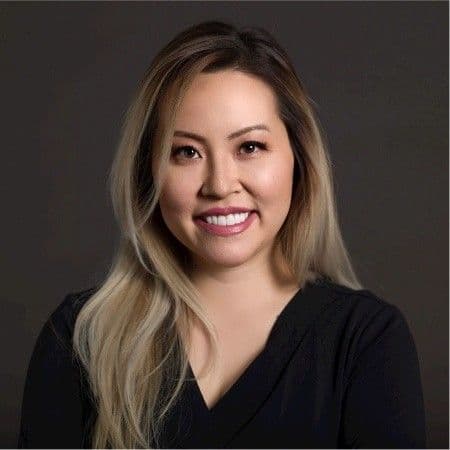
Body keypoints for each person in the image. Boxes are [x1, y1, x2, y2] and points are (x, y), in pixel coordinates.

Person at [18, 20, 427, 449]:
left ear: (298, 158)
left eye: (249, 147)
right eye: (186, 152)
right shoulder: (81, 339)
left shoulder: (366, 341)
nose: (219, 184)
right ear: (148, 173)